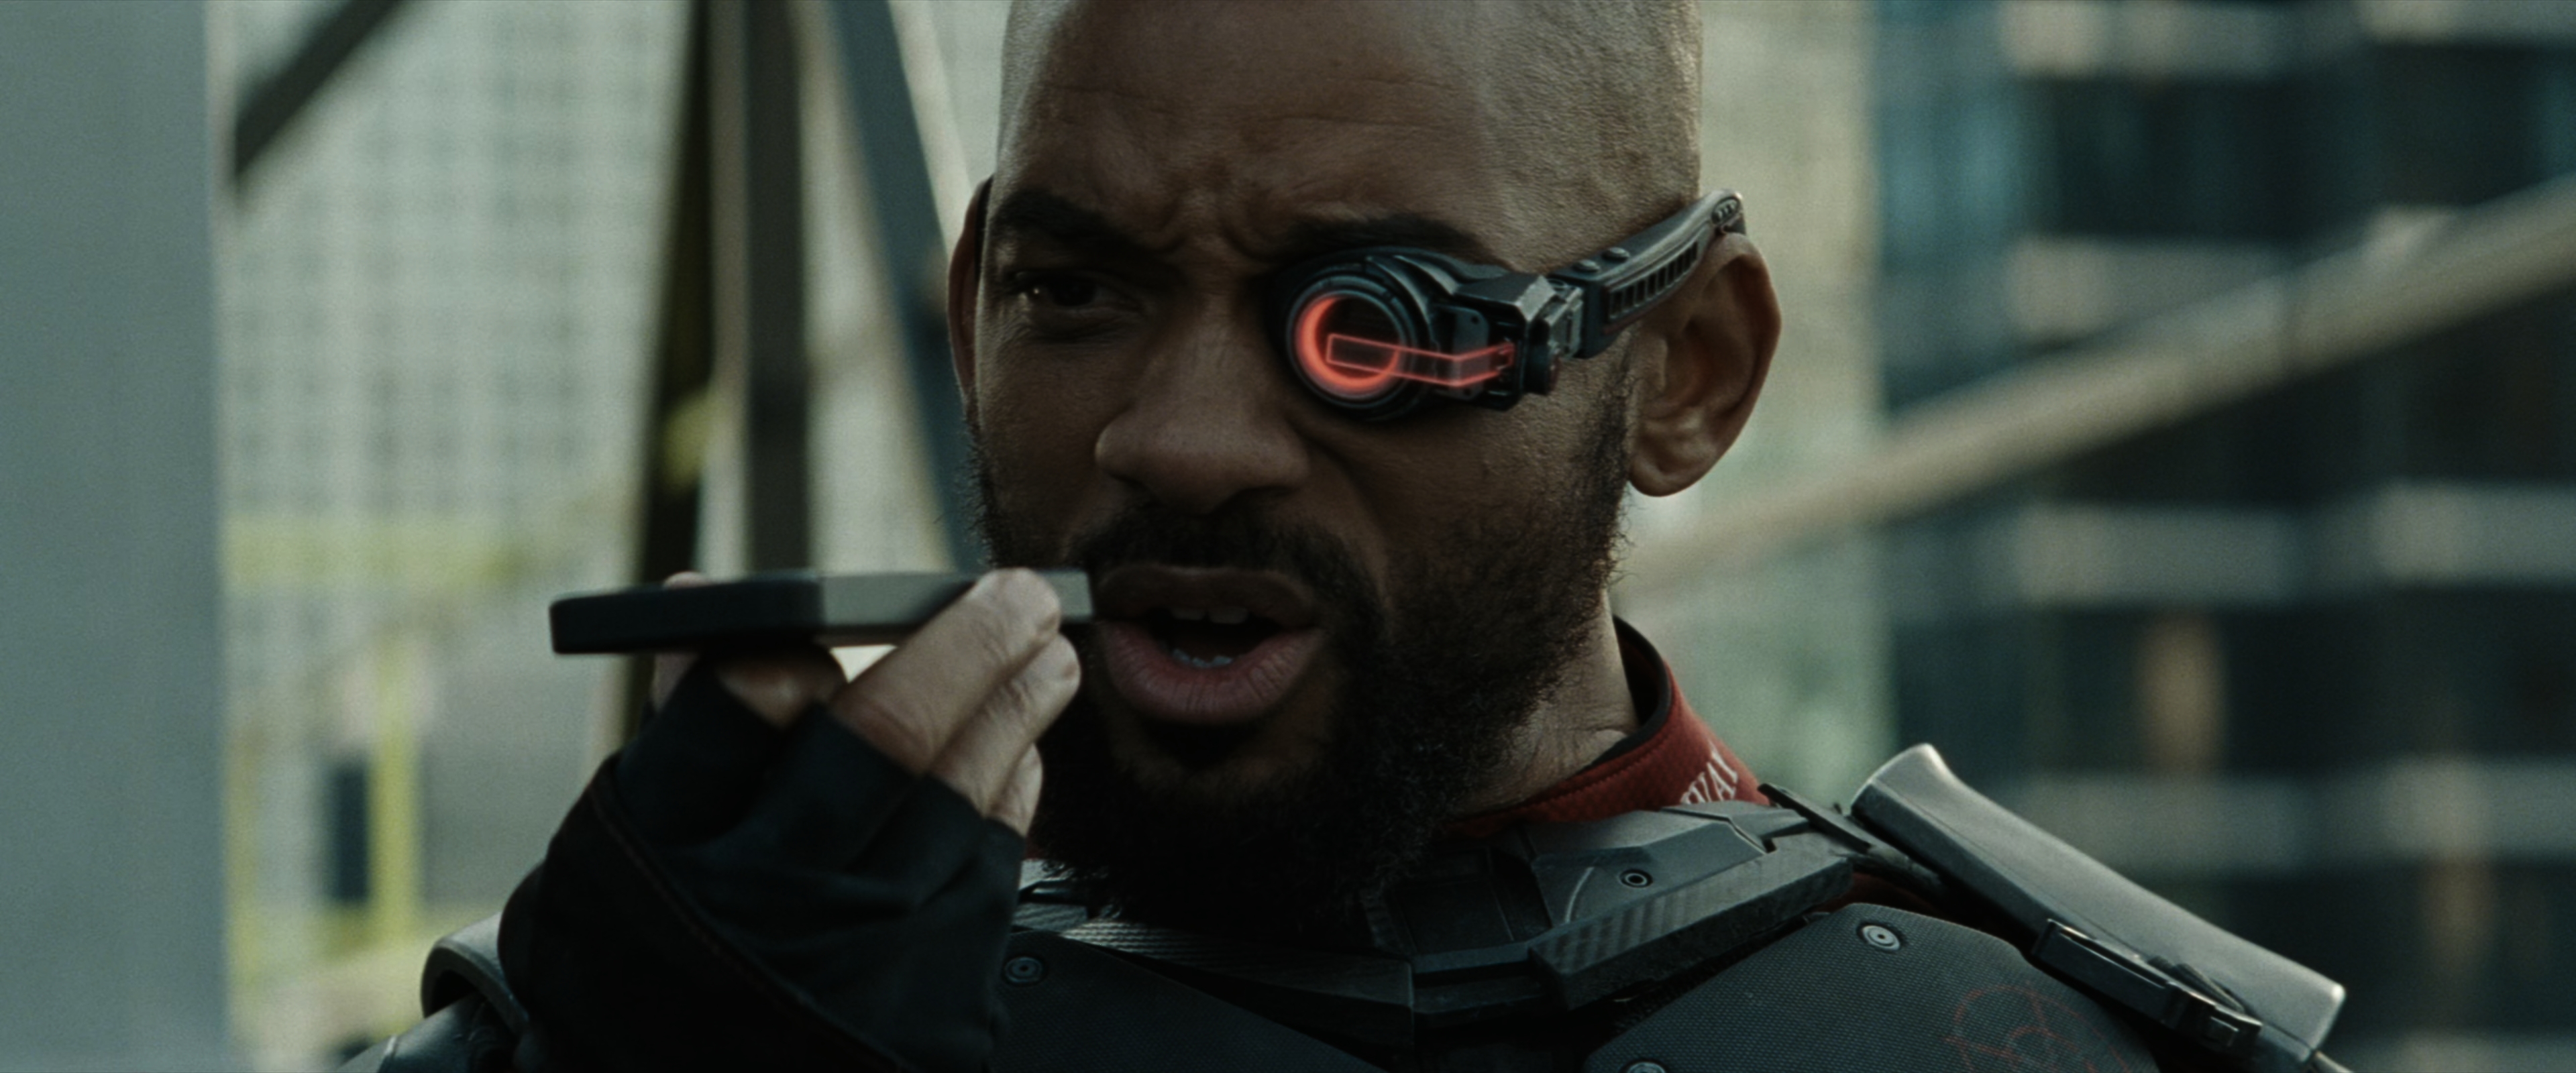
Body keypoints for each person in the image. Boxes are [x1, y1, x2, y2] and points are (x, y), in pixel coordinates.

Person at [351, 3, 2348, 1071]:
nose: (1181, 440)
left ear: (1687, 372)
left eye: (1375, 321)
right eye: (1078, 291)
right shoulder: (669, 1006)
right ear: (971, 316)